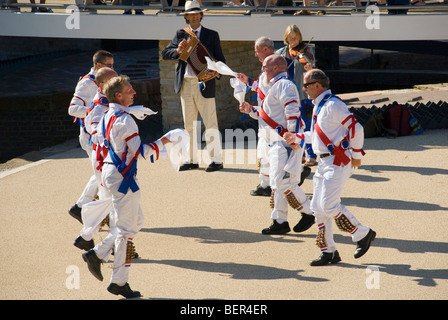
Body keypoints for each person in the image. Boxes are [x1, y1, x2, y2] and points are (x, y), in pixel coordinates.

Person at [81, 75, 172, 298]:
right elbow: (141, 152)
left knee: (136, 221)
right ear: (118, 95)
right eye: (130, 90)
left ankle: (99, 253)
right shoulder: (125, 119)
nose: (134, 93)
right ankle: (117, 279)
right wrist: (166, 140)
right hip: (123, 175)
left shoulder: (108, 114)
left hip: (113, 172)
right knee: (126, 230)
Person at [285, 69, 376, 266]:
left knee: (329, 205)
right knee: (318, 208)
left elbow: (356, 128)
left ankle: (362, 233)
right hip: (325, 161)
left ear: (317, 86)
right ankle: (329, 251)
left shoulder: (334, 105)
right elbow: (317, 136)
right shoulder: (320, 105)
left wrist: (358, 154)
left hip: (338, 161)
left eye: (306, 85)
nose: (304, 89)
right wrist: (298, 137)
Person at [240, 55, 314, 235]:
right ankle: (279, 221)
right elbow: (269, 114)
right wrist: (251, 110)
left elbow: (293, 112)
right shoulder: (275, 86)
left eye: (265, 66)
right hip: (277, 143)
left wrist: (293, 138)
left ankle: (309, 212)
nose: (262, 69)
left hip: (284, 143)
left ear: (276, 67)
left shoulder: (285, 86)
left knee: (284, 183)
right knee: (276, 183)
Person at [161, 0, 226, 172]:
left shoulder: (212, 35)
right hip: (186, 84)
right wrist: (177, 51)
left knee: (210, 123)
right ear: (187, 17)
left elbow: (221, 61)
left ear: (201, 15)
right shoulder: (180, 34)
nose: (195, 16)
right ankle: (191, 159)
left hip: (204, 83)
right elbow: (165, 53)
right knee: (189, 125)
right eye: (191, 14)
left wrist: (216, 72)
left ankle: (216, 160)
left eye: (197, 13)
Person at [73, 67, 118, 252]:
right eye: (113, 80)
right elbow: (96, 130)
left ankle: (87, 236)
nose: (117, 83)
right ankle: (112, 245)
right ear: (101, 84)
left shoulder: (108, 101)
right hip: (104, 160)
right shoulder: (99, 105)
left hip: (108, 159)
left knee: (111, 202)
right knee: (114, 202)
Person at [68, 50, 114, 224]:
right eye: (109, 65)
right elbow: (72, 109)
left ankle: (83, 207)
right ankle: (84, 208)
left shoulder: (107, 80)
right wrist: (92, 110)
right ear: (99, 66)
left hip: (104, 135)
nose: (112, 68)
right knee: (102, 173)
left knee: (103, 173)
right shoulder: (86, 83)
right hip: (90, 136)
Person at [237, 37, 275, 197]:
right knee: (263, 153)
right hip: (264, 121)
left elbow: (270, 100)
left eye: (256, 50)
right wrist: (248, 81)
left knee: (268, 154)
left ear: (266, 49)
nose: (255, 54)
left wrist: (252, 109)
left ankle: (270, 185)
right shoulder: (268, 68)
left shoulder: (273, 69)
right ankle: (265, 184)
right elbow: (261, 89)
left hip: (271, 123)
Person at [275, 24, 317, 167]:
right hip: (286, 95)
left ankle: (311, 155)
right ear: (286, 37)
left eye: (295, 37)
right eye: (290, 37)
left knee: (306, 125)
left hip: (301, 94)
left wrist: (309, 68)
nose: (292, 40)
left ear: (299, 37)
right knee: (291, 125)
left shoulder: (306, 51)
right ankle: (300, 155)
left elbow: (312, 69)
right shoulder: (280, 52)